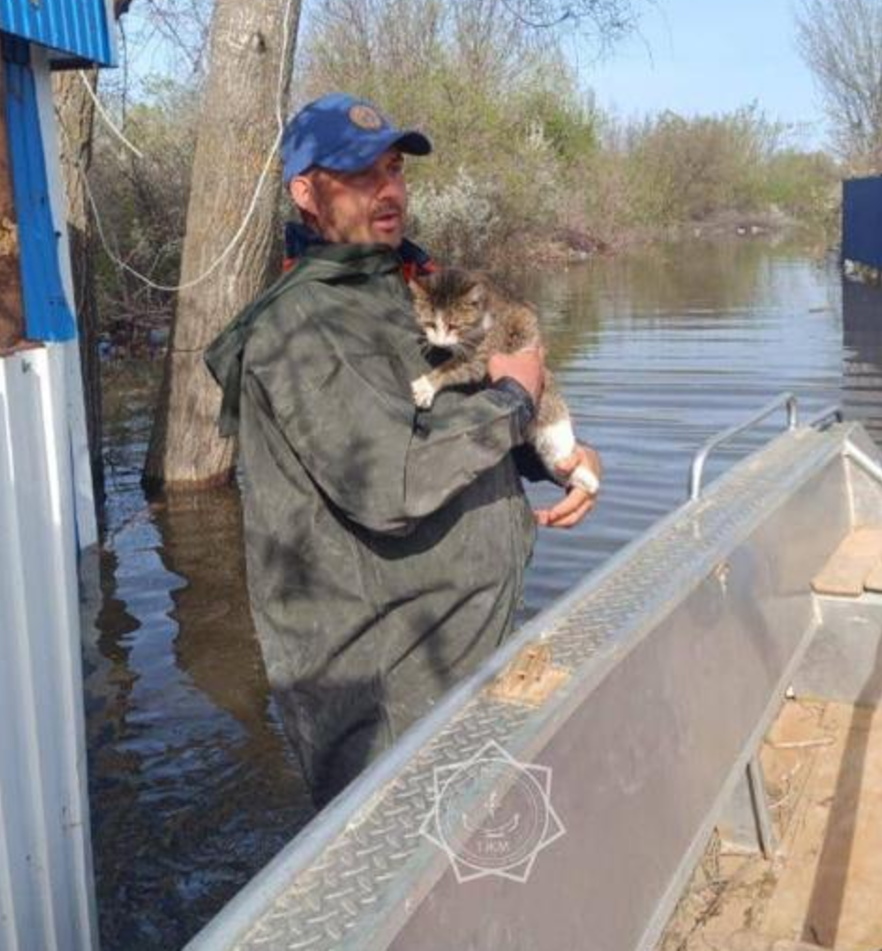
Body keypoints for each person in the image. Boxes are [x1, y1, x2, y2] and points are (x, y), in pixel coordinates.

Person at [205, 92, 602, 805]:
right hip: (388, 689)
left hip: (461, 650)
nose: (388, 191)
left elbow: (453, 413)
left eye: (393, 170)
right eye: (361, 175)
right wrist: (513, 403)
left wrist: (552, 455)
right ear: (306, 194)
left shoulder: (405, 289)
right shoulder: (298, 328)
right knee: (404, 879)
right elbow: (393, 485)